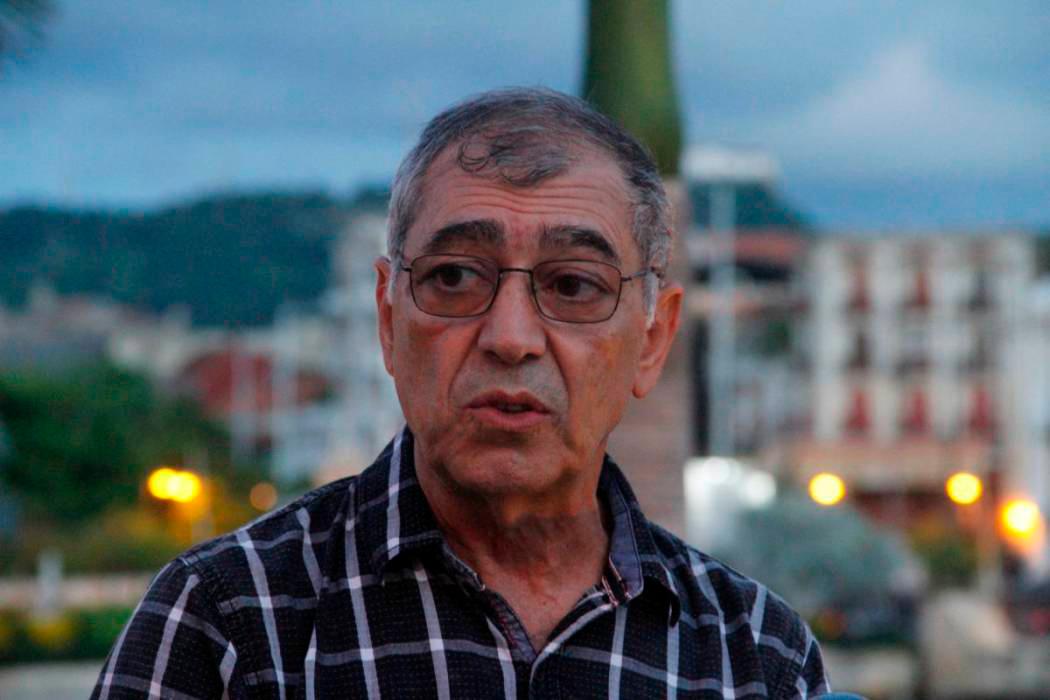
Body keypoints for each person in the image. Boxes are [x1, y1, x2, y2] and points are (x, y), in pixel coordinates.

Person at [92, 87, 830, 699]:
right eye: (454, 277)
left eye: (574, 285)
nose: (511, 337)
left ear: (654, 339)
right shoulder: (227, 623)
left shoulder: (755, 658)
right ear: (388, 318)